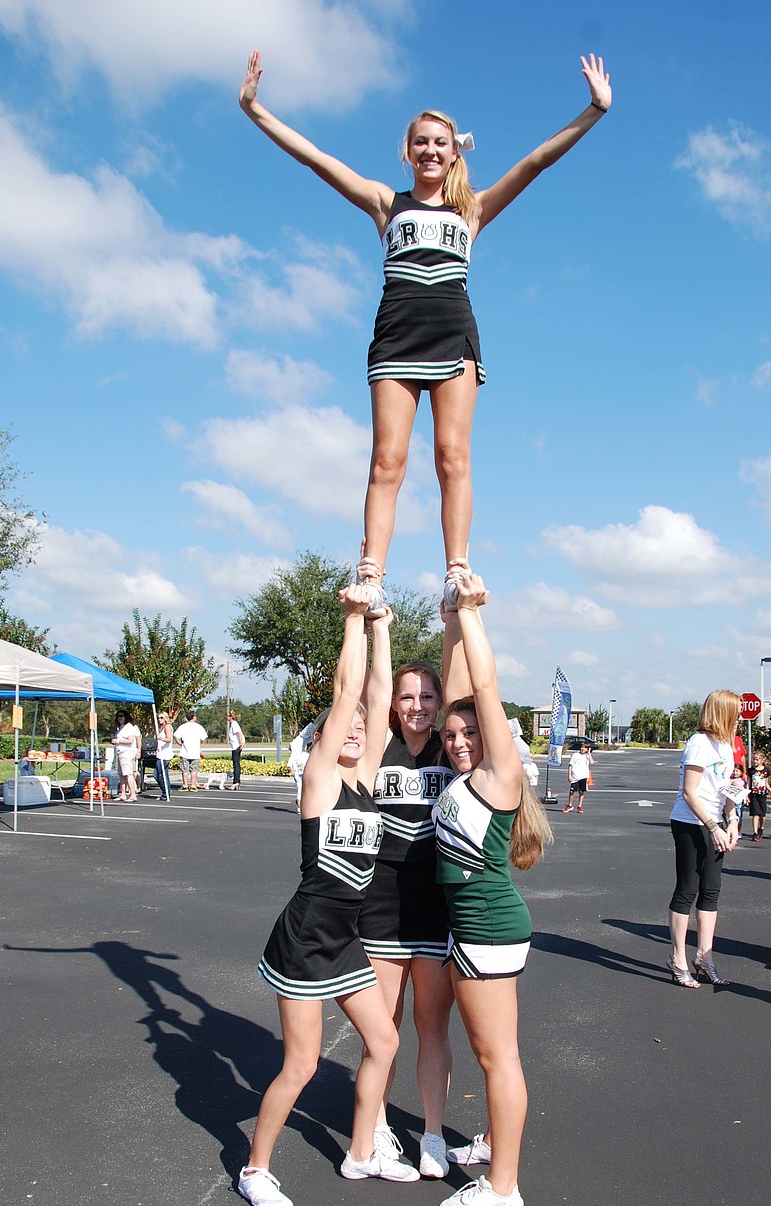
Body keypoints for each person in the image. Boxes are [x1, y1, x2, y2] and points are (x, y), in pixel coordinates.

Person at [239, 51, 611, 608]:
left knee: (451, 456)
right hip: (396, 335)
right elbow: (316, 159)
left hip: (453, 335)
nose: (431, 150)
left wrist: (594, 111)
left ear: (454, 149)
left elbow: (536, 163)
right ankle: (370, 573)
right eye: (421, 142)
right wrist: (254, 110)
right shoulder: (386, 204)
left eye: (441, 142)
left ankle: (457, 569)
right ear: (408, 152)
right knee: (387, 458)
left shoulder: (473, 211)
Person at [238, 587, 420, 1206]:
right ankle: (255, 1168)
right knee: (303, 1066)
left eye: (367, 731)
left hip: (346, 938)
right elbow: (349, 698)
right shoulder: (318, 781)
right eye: (344, 730)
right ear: (322, 737)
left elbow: (374, 695)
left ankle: (362, 1150)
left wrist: (383, 626)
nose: (359, 731)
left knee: (386, 1043)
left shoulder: (365, 779)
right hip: (305, 938)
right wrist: (350, 619)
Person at [432, 573, 550, 1206]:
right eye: (451, 735)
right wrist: (449, 619)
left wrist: (473, 612)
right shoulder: (470, 774)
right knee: (492, 1051)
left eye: (469, 734)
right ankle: (496, 1143)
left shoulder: (499, 773)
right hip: (471, 927)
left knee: (495, 1055)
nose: (457, 740)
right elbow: (460, 697)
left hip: (487, 928)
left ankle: (504, 1187)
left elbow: (483, 692)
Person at [358, 659, 454, 1178]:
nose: (417, 706)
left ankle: (433, 1135)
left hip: (436, 904)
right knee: (384, 1030)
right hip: (382, 902)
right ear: (394, 704)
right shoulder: (381, 745)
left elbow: (461, 676)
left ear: (440, 704)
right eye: (407, 697)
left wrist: (456, 614)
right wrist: (379, 621)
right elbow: (370, 688)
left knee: (432, 1026)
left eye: (427, 697)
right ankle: (375, 1128)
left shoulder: (451, 748)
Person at [666, 691, 740, 988]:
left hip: (717, 822)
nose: (739, 717)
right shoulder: (699, 744)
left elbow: (727, 788)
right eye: (735, 712)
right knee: (687, 889)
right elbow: (689, 792)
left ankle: (704, 957)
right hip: (690, 823)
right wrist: (713, 826)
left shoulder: (726, 745)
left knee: (711, 890)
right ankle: (678, 958)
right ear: (721, 712)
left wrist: (732, 820)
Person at [173, 711, 208, 792]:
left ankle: (185, 784)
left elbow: (175, 736)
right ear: (194, 717)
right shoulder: (199, 727)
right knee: (194, 769)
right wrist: (199, 742)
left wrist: (180, 743)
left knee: (184, 770)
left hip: (185, 751)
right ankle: (193, 785)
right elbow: (203, 738)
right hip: (195, 752)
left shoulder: (183, 726)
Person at [111, 710, 140, 803]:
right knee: (122, 774)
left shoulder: (128, 727)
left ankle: (133, 794)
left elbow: (131, 740)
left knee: (128, 774)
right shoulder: (120, 728)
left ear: (126, 717)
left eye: (121, 716)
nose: (119, 718)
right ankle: (122, 794)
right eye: (118, 716)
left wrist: (117, 741)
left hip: (127, 753)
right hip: (120, 752)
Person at [287, 722, 314, 810]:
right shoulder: (296, 753)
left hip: (302, 772)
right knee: (300, 790)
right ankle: (300, 807)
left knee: (304, 790)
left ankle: (301, 806)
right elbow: (289, 764)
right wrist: (292, 771)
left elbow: (309, 739)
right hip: (298, 774)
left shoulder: (301, 753)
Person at [563, 741, 593, 813]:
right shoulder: (575, 755)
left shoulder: (587, 756)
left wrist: (589, 753)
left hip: (583, 776)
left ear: (587, 749)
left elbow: (591, 762)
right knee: (571, 791)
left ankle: (579, 806)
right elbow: (570, 765)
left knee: (581, 792)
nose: (583, 749)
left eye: (585, 748)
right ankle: (570, 805)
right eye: (582, 747)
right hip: (575, 777)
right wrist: (569, 775)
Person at [747, 754, 768, 842]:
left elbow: (766, 783)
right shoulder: (751, 771)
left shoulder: (766, 771)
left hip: (762, 794)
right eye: (754, 760)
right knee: (755, 813)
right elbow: (748, 783)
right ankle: (755, 832)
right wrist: (747, 794)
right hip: (754, 794)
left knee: (762, 814)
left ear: (762, 760)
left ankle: (761, 828)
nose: (755, 761)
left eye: (757, 760)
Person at [154, 711, 174, 803]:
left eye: (161, 718)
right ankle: (165, 791)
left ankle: (166, 793)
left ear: (165, 718)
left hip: (165, 755)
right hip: (160, 754)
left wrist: (160, 738)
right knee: (157, 775)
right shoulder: (162, 728)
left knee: (161, 775)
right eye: (158, 718)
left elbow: (169, 739)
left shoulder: (168, 727)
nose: (159, 720)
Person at [227, 710, 245, 790]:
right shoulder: (232, 724)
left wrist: (241, 743)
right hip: (234, 746)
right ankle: (237, 781)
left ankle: (236, 781)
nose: (226, 717)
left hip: (236, 746)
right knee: (235, 764)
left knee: (236, 764)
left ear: (231, 717)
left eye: (228, 716)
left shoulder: (234, 724)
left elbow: (239, 733)